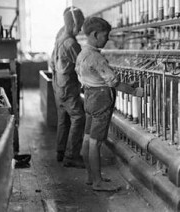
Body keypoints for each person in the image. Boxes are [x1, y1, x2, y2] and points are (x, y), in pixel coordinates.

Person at [76, 17, 142, 191]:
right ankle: (98, 182)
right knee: (96, 143)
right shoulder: (97, 58)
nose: (107, 39)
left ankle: (91, 177)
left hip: (89, 96)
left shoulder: (82, 54)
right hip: (101, 100)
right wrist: (135, 91)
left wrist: (127, 84)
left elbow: (90, 77)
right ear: (95, 35)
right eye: (105, 35)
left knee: (88, 137)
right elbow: (113, 83)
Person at [50, 7, 85, 168]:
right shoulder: (71, 43)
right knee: (78, 117)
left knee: (63, 119)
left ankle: (61, 151)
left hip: (58, 84)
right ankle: (71, 156)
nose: (80, 29)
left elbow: (52, 62)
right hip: (68, 86)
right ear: (74, 24)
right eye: (80, 25)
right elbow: (83, 65)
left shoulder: (60, 37)